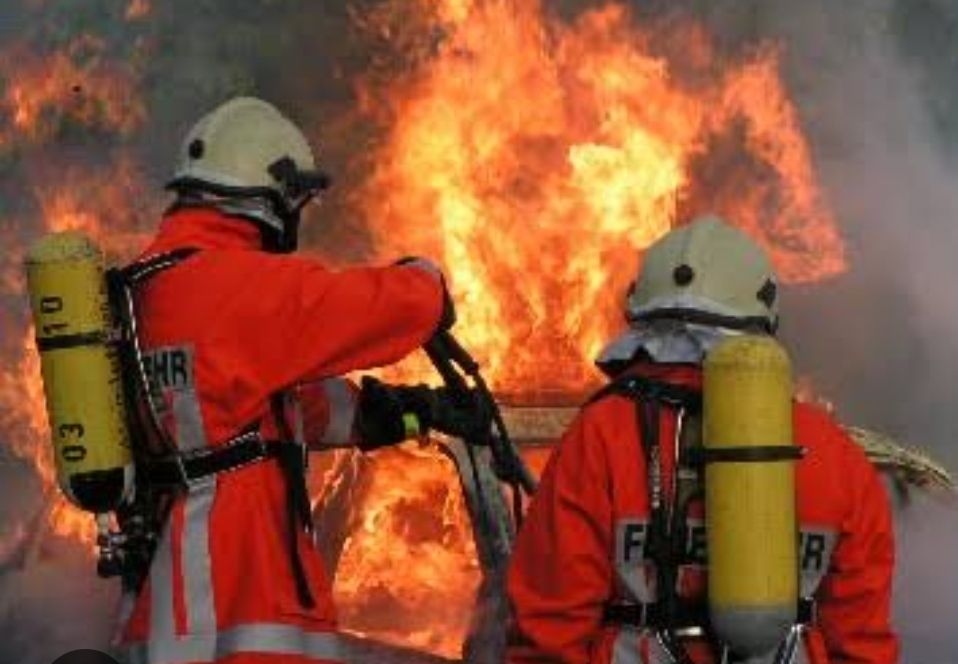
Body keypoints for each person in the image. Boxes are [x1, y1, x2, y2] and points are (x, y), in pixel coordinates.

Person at [115, 97, 464, 664]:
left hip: (168, 613)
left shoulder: (154, 287)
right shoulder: (234, 285)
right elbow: (378, 307)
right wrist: (425, 281)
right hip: (233, 605)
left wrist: (409, 409)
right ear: (271, 197)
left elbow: (268, 404)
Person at [506, 216, 899, 664]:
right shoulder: (830, 449)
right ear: (763, 318)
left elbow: (550, 629)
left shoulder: (602, 434)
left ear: (640, 312)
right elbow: (863, 643)